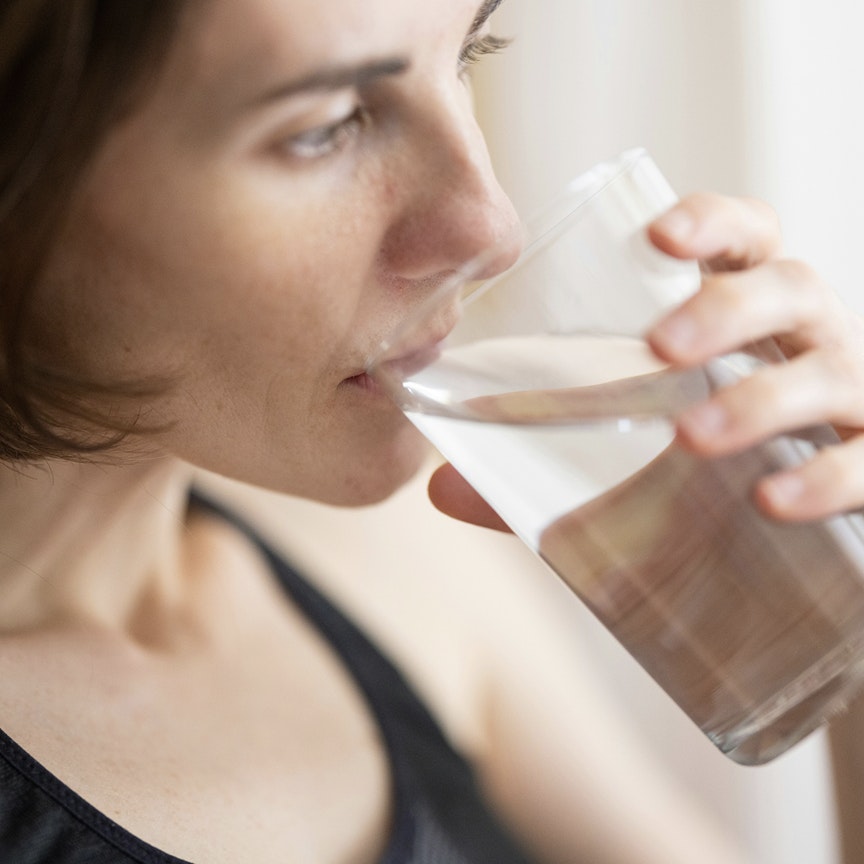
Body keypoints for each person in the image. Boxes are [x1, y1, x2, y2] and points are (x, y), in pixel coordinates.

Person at [2, 1, 864, 863]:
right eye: (324, 127)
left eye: (470, 51)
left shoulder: (384, 558)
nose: (492, 226)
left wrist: (842, 575)